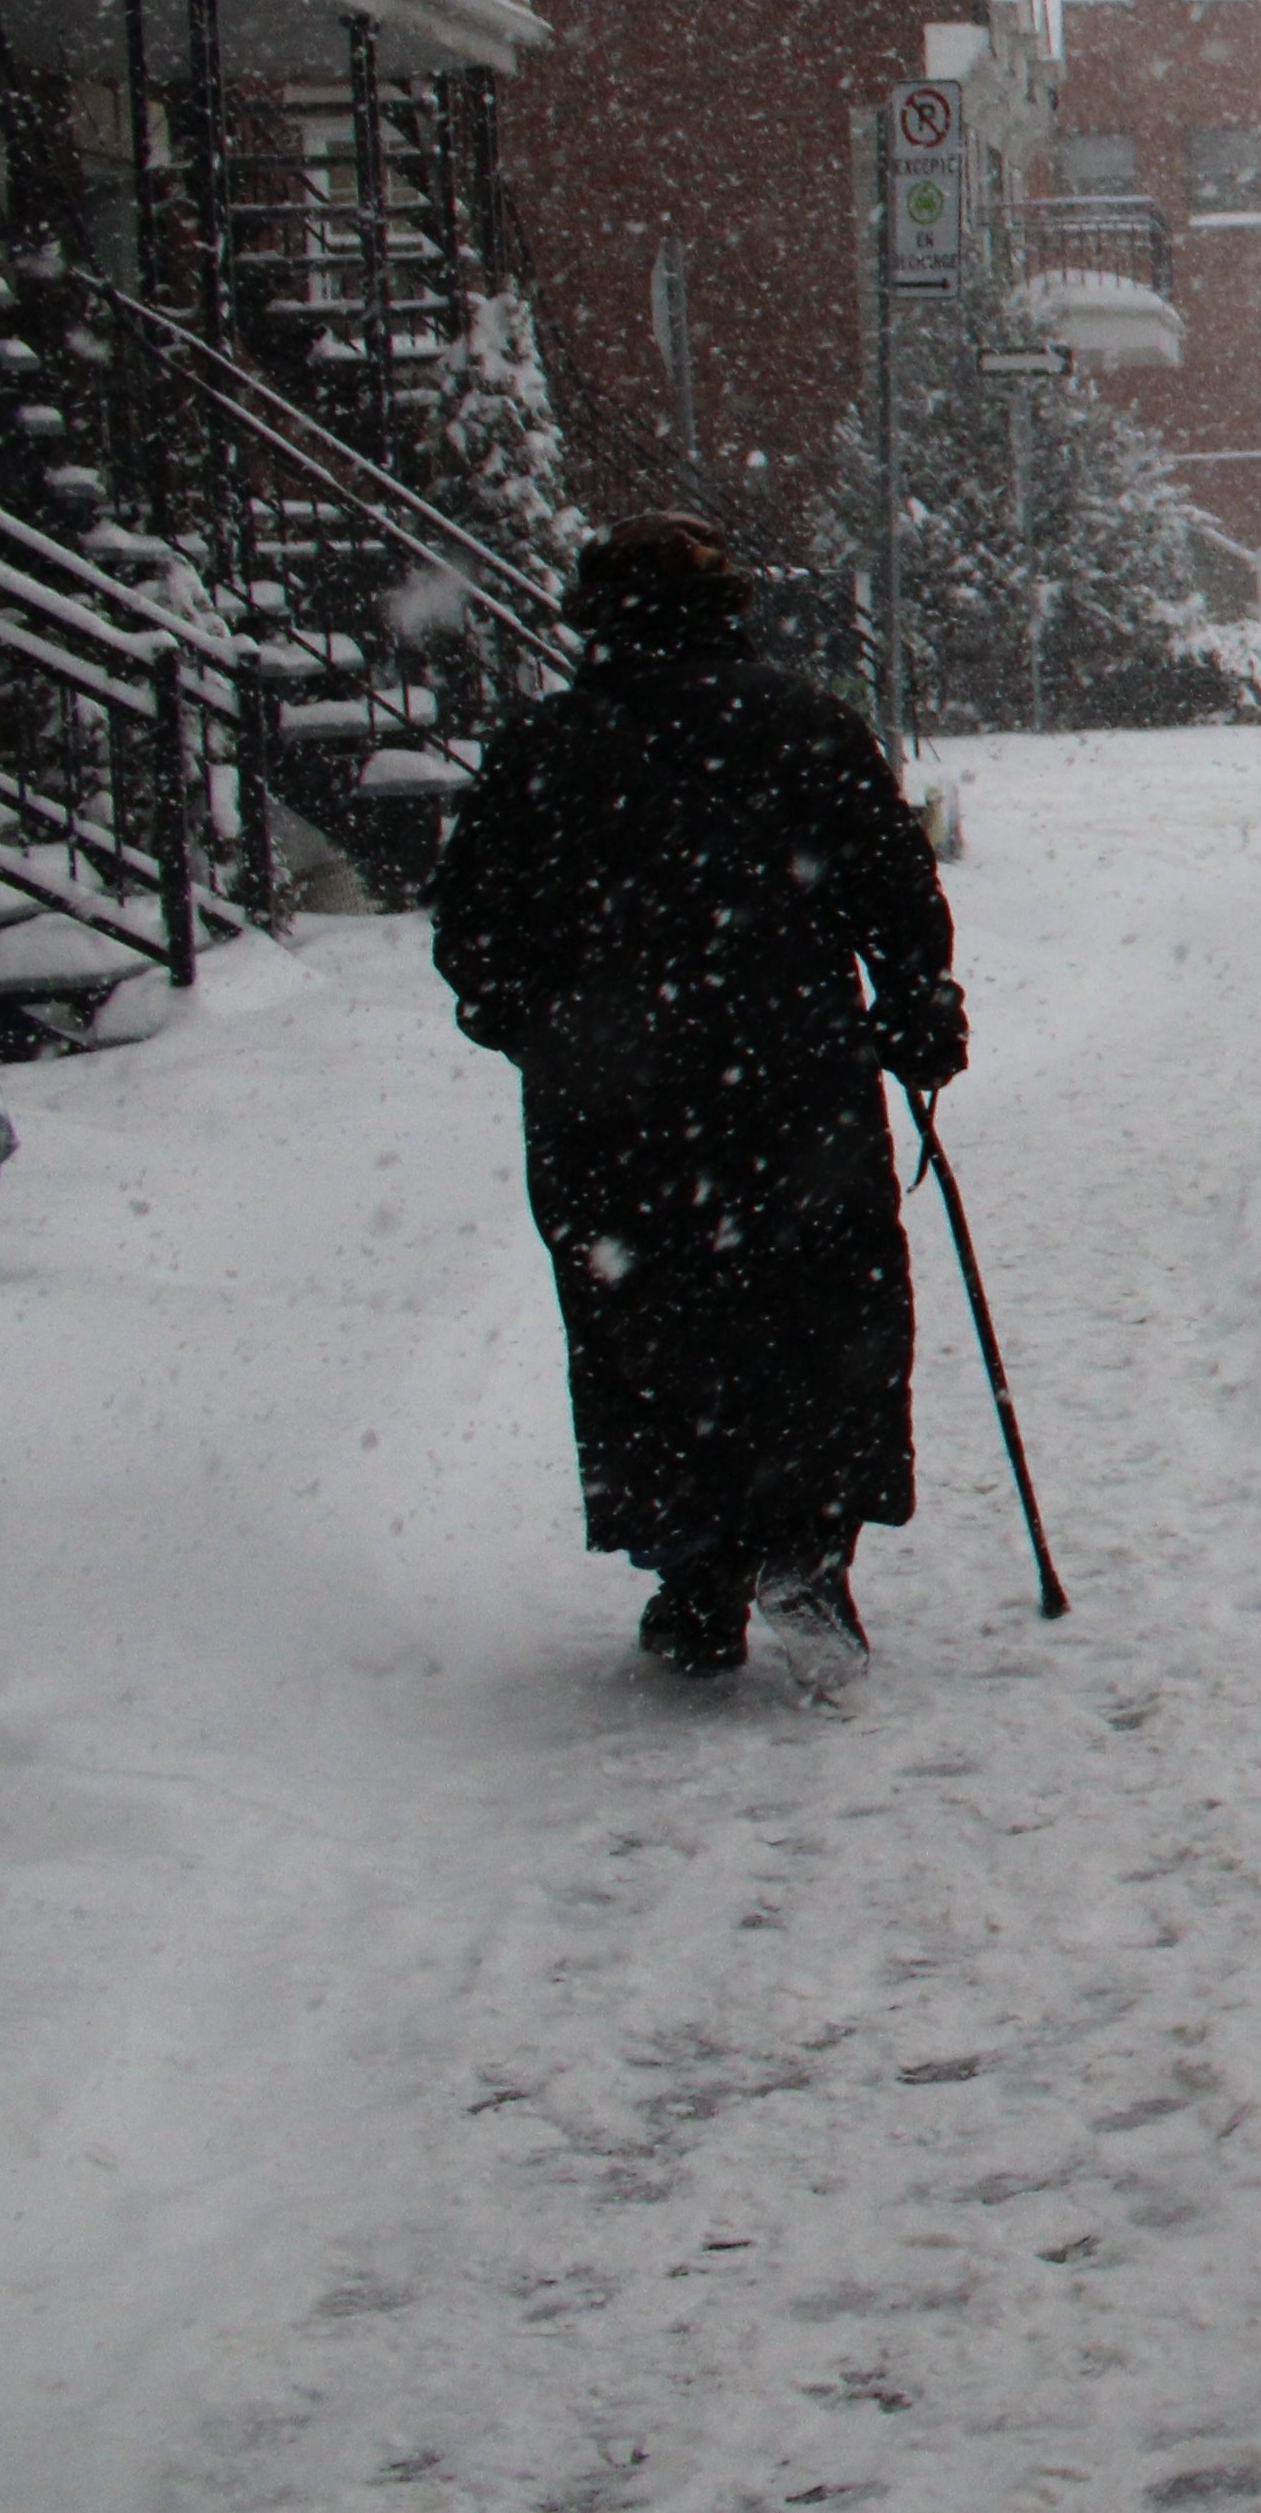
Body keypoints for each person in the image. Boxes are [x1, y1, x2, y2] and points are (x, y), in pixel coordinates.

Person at [434, 514, 965, 1688]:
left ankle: (694, 1567)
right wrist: (917, 1002)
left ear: (595, 621)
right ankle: (808, 1546)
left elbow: (473, 929)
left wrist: (540, 1025)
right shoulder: (804, 727)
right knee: (823, 1308)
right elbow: (891, 881)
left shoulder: (543, 748)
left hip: (613, 1105)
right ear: (730, 611)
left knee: (645, 1323)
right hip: (791, 1080)